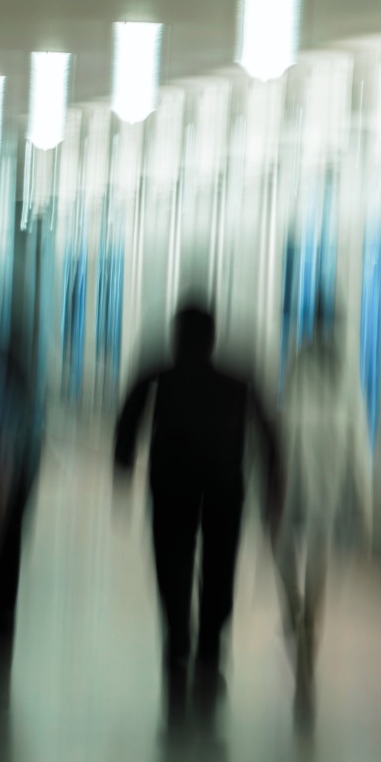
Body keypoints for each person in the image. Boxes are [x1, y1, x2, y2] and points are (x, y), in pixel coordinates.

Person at [114, 303, 282, 731]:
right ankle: (209, 644)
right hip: (225, 490)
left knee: (171, 564)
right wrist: (274, 488)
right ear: (212, 336)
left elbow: (128, 420)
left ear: (177, 335)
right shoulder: (237, 381)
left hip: (170, 488)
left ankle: (177, 642)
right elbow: (269, 433)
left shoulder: (160, 376)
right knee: (219, 568)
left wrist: (123, 467)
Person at [274, 330, 372, 719]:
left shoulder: (288, 410)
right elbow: (358, 459)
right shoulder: (343, 416)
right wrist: (361, 504)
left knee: (281, 540)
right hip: (325, 489)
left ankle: (292, 603)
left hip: (289, 483)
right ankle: (310, 616)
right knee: (318, 547)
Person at [0, 341, 44, 650]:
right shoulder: (26, 407)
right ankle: (4, 611)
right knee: (9, 544)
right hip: (17, 483)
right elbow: (30, 459)